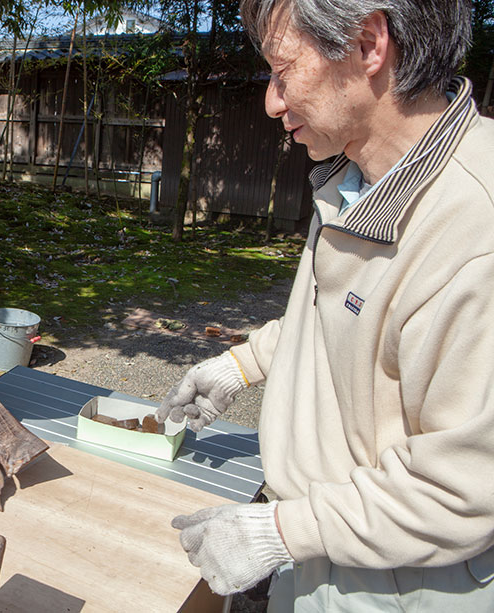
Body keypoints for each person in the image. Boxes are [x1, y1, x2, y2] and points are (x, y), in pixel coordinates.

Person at [155, 0, 494, 609]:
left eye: (283, 73)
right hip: (326, 555)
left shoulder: (477, 233)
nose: (271, 102)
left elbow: (463, 491)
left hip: (398, 584)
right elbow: (349, 319)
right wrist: (243, 365)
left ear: (368, 44)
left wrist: (280, 532)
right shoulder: (360, 176)